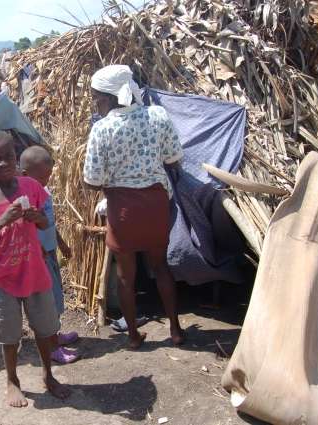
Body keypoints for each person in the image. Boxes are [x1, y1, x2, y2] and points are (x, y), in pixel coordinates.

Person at [83, 64, 185, 349]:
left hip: (123, 210)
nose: (96, 104)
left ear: (110, 97)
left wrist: (118, 175)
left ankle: (132, 338)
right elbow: (174, 158)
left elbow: (92, 180)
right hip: (155, 205)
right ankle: (176, 331)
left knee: (125, 277)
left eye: (97, 99)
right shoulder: (158, 116)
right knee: (160, 266)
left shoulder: (102, 129)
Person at [0, 130, 70, 407]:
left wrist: (36, 217)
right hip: (3, 278)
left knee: (45, 329)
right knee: (9, 335)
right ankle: (12, 380)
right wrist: (3, 220)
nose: (3, 164)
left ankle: (48, 375)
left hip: (34, 272)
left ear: (17, 157)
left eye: (9, 157)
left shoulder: (31, 186)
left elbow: (44, 224)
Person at [19, 145, 80, 364]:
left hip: (50, 252)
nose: (46, 181)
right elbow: (27, 229)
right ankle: (52, 347)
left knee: (55, 296)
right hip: (39, 256)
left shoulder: (43, 191)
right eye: (42, 177)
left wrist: (61, 243)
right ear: (26, 175)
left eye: (49, 176)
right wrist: (40, 249)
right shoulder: (24, 198)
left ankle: (56, 335)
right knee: (47, 301)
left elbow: (48, 223)